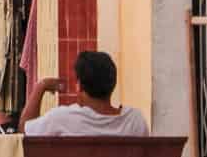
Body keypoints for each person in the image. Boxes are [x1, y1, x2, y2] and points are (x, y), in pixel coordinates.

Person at [20, 50, 151, 136]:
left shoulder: (62, 119)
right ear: (113, 83)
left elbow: (24, 133)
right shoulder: (135, 121)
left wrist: (41, 86)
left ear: (80, 87)